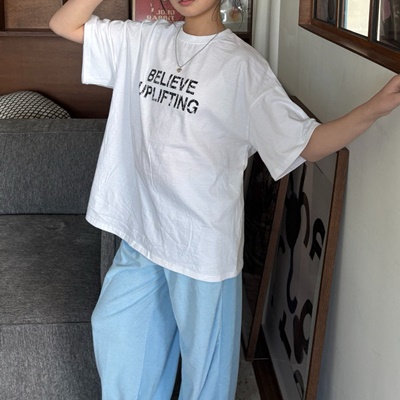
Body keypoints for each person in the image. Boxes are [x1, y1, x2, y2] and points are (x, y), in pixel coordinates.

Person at [49, 1, 400, 399]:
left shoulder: (242, 67)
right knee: (119, 339)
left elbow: (307, 143)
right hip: (143, 232)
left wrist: (375, 108)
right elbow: (64, 24)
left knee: (206, 379)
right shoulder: (144, 40)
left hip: (200, 247)